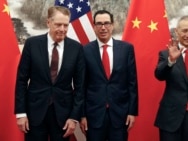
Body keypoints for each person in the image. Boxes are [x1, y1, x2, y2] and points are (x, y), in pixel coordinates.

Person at [15, 6, 85, 141]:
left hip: (63, 115)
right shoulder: (32, 44)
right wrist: (21, 113)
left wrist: (74, 117)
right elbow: (21, 80)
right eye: (58, 24)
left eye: (66, 25)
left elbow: (80, 86)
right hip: (34, 113)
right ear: (48, 22)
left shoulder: (77, 48)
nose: (62, 29)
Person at [80, 10, 138, 141]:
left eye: (106, 23)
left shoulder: (126, 49)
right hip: (93, 116)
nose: (103, 27)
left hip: (120, 114)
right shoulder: (85, 50)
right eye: (99, 24)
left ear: (113, 25)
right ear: (94, 26)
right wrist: (82, 115)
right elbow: (81, 86)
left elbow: (132, 83)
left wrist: (132, 112)